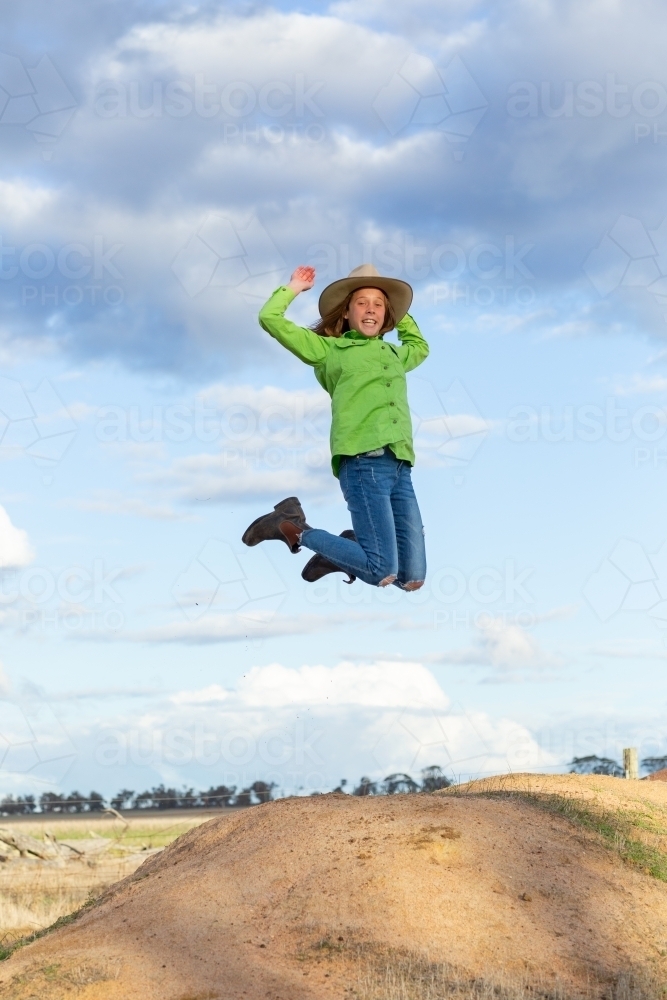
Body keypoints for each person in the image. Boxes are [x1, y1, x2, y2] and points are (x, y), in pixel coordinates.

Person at [242, 263, 429, 590]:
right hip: (363, 462)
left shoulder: (394, 355)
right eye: (362, 302)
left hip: (401, 465)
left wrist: (401, 313)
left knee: (411, 578)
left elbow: (420, 347)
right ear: (345, 313)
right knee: (380, 569)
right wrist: (293, 288)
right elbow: (270, 319)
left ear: (388, 316)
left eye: (380, 303)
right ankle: (291, 526)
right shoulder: (330, 351)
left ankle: (344, 549)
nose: (371, 308)